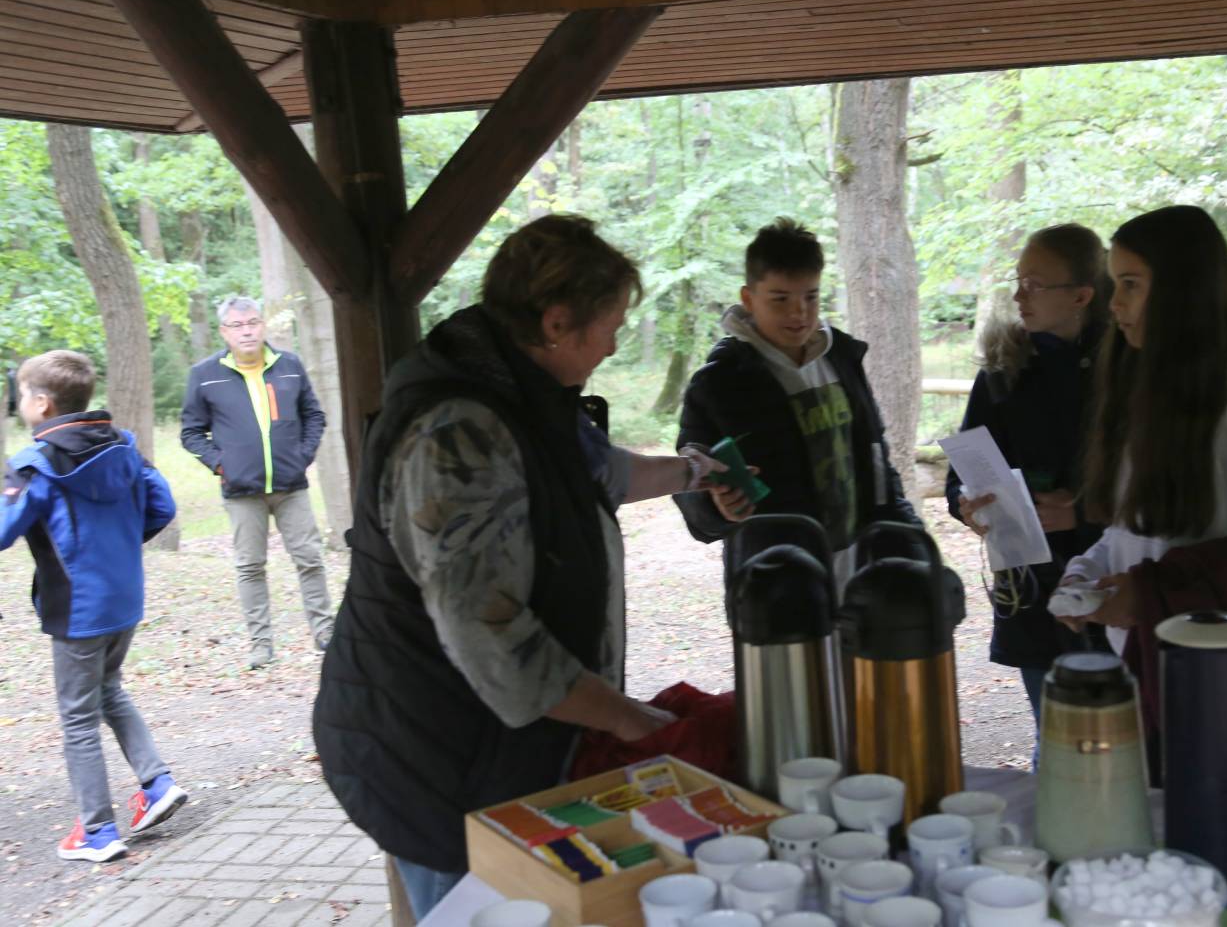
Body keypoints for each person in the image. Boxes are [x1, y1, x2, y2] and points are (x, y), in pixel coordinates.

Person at [313, 215, 729, 920]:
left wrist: (695, 473)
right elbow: (493, 638)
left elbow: (599, 473)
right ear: (559, 321)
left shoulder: (521, 384)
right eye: (612, 323)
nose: (617, 341)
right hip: (433, 760)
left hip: (488, 749)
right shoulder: (458, 433)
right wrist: (629, 720)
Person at [1054, 206, 1227, 739]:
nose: (1115, 304)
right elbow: (1136, 528)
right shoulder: (1143, 388)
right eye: (1113, 284)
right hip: (1140, 664)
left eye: (1130, 285)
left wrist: (1154, 595)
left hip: (1215, 678)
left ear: (1184, 292)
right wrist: (1087, 571)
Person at [1, 351, 185, 863]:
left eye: (21, 393)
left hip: (78, 609)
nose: (19, 403)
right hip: (124, 598)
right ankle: (157, 782)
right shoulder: (124, 445)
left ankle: (97, 832)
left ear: (42, 402)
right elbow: (163, 507)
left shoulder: (35, 463)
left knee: (78, 717)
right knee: (108, 690)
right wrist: (122, 550)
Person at [674, 217, 920, 591]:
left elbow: (875, 461)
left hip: (864, 572)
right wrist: (715, 508)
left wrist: (910, 537)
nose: (799, 313)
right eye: (781, 299)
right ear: (748, 298)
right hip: (775, 583)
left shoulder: (842, 358)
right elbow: (689, 478)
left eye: (811, 297)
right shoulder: (721, 380)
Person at [945, 224, 1111, 728]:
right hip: (1030, 588)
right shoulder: (1002, 370)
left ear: (1081, 295)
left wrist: (1083, 511)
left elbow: (1165, 486)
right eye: (1018, 282)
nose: (1018, 296)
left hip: (1116, 582)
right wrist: (967, 507)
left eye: (1034, 285)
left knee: (1126, 739)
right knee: (1057, 734)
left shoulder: (1128, 368)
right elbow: (963, 473)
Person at [180, 296, 334, 669]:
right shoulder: (205, 374)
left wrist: (303, 456)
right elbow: (191, 432)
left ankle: (325, 634)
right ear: (224, 332)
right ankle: (261, 645)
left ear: (263, 325)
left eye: (252, 322)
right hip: (240, 491)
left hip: (290, 486)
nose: (247, 330)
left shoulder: (290, 365)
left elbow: (313, 415)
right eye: (237, 325)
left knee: (310, 559)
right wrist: (222, 466)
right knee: (250, 567)